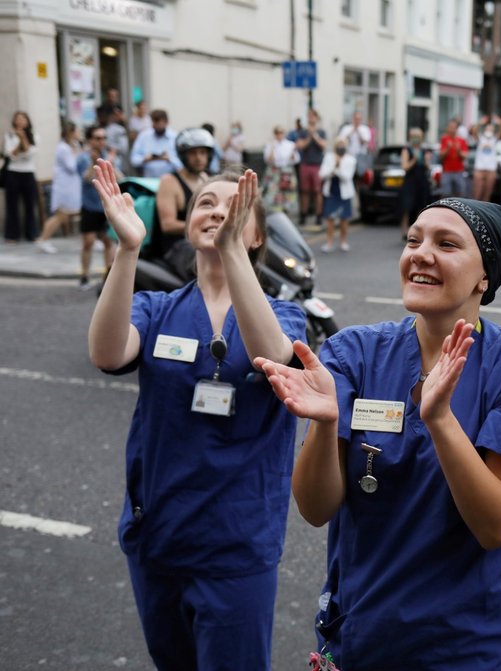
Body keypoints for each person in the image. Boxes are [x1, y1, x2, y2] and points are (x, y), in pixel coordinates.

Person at [254, 197, 501, 670]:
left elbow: (498, 526)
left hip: (462, 647)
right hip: (358, 635)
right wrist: (326, 421)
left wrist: (440, 421)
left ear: (485, 276)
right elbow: (315, 509)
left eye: (446, 243)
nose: (420, 253)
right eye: (413, 240)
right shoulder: (352, 352)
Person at [88, 162, 306, 671]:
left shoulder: (284, 315)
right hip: (159, 535)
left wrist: (230, 253)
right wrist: (127, 251)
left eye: (234, 207)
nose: (215, 211)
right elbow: (107, 352)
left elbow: (269, 354)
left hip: (236, 546)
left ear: (255, 236)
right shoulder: (156, 307)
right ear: (187, 224)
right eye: (204, 203)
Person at [148, 127, 215, 283]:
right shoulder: (169, 182)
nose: (198, 158)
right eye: (193, 153)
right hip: (177, 246)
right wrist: (203, 225)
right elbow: (168, 225)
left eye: (202, 153)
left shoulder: (206, 179)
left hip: (203, 239)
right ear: (183, 156)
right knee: (204, 264)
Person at [75, 125, 121, 289]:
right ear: (90, 140)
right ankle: (84, 276)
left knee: (109, 242)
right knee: (88, 242)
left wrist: (112, 163)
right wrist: (92, 164)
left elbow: (121, 178)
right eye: (98, 138)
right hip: (89, 206)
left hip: (106, 206)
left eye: (104, 138)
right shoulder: (82, 158)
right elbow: (85, 179)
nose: (102, 141)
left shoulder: (110, 156)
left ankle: (108, 278)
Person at [36, 121, 82, 254]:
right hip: (64, 187)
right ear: (71, 132)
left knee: (68, 214)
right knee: (60, 215)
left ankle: (88, 238)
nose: (79, 133)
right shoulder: (63, 148)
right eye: (77, 131)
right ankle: (43, 239)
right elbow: (72, 166)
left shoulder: (74, 145)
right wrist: (79, 155)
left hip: (71, 186)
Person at [3, 111, 39, 244]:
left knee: (30, 204)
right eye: (17, 118)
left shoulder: (34, 136)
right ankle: (12, 234)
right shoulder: (9, 135)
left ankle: (32, 233)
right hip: (13, 172)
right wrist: (20, 142)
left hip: (28, 173)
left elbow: (29, 153)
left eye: (23, 118)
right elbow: (11, 155)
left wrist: (23, 138)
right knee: (12, 205)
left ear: (27, 121)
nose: (20, 121)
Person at [318, 138, 356, 253]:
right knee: (330, 218)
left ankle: (343, 241)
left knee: (344, 219)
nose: (341, 147)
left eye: (343, 144)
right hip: (331, 192)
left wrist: (337, 169)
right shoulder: (329, 157)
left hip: (345, 193)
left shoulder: (351, 159)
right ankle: (329, 242)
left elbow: (347, 177)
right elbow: (322, 174)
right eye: (338, 144)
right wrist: (334, 166)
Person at [295, 109, 328, 227]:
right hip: (305, 164)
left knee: (318, 191)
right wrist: (309, 136)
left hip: (317, 165)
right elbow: (300, 145)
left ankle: (319, 216)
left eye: (313, 116)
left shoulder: (321, 132)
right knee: (304, 191)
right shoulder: (303, 132)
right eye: (309, 116)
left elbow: (324, 145)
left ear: (317, 118)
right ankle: (303, 215)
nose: (311, 118)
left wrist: (314, 135)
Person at [398, 127, 431, 240]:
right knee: (407, 206)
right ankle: (404, 230)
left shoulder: (424, 150)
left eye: (418, 137)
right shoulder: (406, 150)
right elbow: (404, 167)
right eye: (414, 137)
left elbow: (428, 167)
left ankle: (417, 231)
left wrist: (427, 161)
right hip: (410, 182)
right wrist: (414, 160)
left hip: (421, 181)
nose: (416, 139)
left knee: (420, 206)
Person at [261, 125, 299, 216]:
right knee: (273, 191)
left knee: (288, 193)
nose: (279, 135)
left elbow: (296, 159)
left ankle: (286, 211)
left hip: (287, 171)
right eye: (277, 133)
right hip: (274, 172)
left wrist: (293, 152)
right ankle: (275, 212)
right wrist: (273, 148)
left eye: (281, 133)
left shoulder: (290, 144)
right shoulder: (270, 145)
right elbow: (268, 159)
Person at [130, 109, 179, 178]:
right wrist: (144, 159)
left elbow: (182, 164)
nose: (156, 126)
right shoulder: (143, 136)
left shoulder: (175, 138)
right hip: (148, 182)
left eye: (159, 123)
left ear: (166, 122)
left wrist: (170, 159)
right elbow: (134, 160)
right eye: (154, 122)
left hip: (170, 182)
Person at [471, 118, 501, 202]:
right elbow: (474, 132)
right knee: (476, 194)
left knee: (487, 195)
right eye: (488, 129)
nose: (489, 130)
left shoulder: (494, 139)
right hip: (479, 168)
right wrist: (479, 123)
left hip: (491, 169)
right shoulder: (480, 138)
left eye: (491, 129)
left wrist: (499, 124)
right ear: (484, 130)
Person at [439, 118, 468, 198]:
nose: (452, 129)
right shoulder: (444, 139)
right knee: (445, 195)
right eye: (450, 127)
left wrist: (459, 151)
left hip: (459, 172)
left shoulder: (462, 140)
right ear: (448, 128)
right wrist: (447, 149)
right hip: (447, 171)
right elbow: (441, 156)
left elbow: (465, 156)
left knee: (461, 194)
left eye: (454, 127)